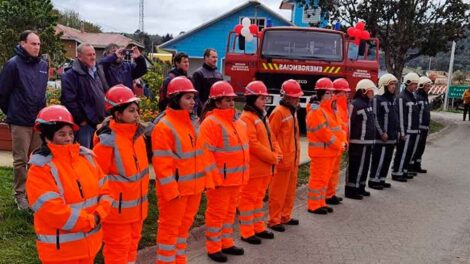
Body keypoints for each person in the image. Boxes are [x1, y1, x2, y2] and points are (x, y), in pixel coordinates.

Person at [26, 105, 112, 264]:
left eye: (71, 133)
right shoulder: (40, 169)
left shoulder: (87, 159)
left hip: (90, 246)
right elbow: (52, 210)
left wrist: (99, 214)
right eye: (62, 134)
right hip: (61, 254)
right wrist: (91, 220)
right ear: (47, 137)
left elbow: (106, 191)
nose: (68, 138)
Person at [151, 76, 215, 264]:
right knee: (170, 231)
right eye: (187, 98)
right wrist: (172, 192)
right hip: (176, 193)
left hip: (192, 190)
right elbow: (163, 165)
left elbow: (199, 157)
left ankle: (179, 260)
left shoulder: (190, 123)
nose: (192, 102)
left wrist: (204, 182)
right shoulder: (164, 126)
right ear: (175, 98)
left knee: (182, 230)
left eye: (193, 98)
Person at [93, 85, 149, 264]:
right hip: (117, 214)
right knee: (117, 250)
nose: (136, 114)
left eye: (137, 110)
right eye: (131, 110)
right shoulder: (107, 141)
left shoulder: (136, 136)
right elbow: (98, 179)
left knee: (132, 246)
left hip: (137, 210)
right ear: (118, 114)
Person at [199, 81, 249, 263]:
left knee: (229, 214)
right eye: (227, 100)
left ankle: (226, 242)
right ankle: (213, 247)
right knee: (216, 215)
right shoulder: (211, 123)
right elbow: (205, 154)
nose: (231, 103)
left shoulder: (238, 123)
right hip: (220, 181)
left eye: (232, 100)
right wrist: (212, 180)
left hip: (236, 179)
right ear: (217, 102)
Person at [0, 30, 48, 209]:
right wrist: (12, 112)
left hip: (37, 121)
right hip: (19, 121)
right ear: (22, 44)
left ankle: (33, 192)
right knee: (20, 160)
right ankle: (20, 195)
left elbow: (41, 94)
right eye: (33, 43)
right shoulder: (13, 65)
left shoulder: (43, 65)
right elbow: (2, 93)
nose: (37, 47)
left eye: (38, 44)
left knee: (36, 159)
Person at [239, 81, 281, 244]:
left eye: (265, 98)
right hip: (255, 168)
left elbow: (271, 138)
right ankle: (247, 232)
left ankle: (258, 227)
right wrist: (272, 156)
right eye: (261, 98)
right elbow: (253, 144)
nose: (265, 101)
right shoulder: (247, 118)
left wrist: (277, 153)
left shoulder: (261, 116)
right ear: (252, 99)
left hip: (264, 168)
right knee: (249, 200)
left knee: (257, 199)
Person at [306, 78, 346, 213]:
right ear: (321, 94)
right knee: (318, 180)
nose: (331, 96)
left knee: (324, 179)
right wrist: (338, 144)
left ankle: (320, 202)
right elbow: (324, 133)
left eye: (331, 93)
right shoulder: (316, 111)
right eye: (328, 93)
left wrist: (341, 143)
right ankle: (314, 205)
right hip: (321, 152)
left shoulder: (323, 110)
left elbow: (334, 129)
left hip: (327, 152)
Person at [268, 79, 302, 232]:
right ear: (286, 97)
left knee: (289, 192)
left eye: (297, 97)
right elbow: (271, 136)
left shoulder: (291, 112)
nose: (297, 100)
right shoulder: (278, 112)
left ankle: (285, 216)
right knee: (278, 193)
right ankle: (274, 220)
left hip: (292, 160)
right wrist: (278, 154)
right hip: (283, 161)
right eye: (294, 97)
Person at [61, 43, 108, 149]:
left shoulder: (98, 71)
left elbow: (104, 92)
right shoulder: (70, 76)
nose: (93, 57)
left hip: (100, 122)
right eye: (89, 55)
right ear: (80, 56)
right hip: (84, 126)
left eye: (94, 54)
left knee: (97, 154)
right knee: (83, 154)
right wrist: (82, 120)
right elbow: (68, 101)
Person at [345, 79, 376, 200]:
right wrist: (348, 140)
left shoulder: (368, 104)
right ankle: (351, 189)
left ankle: (361, 187)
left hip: (367, 141)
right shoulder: (355, 104)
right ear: (363, 91)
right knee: (355, 166)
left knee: (364, 166)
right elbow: (349, 123)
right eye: (370, 91)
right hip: (357, 142)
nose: (372, 93)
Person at [368, 74, 399, 189]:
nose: (393, 87)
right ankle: (373, 180)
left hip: (391, 136)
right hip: (381, 137)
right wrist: (382, 132)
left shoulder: (392, 99)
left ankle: (381, 179)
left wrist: (397, 131)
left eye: (394, 84)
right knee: (378, 159)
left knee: (387, 159)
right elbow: (375, 117)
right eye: (391, 84)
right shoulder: (377, 99)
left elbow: (395, 116)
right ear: (384, 85)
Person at [391, 72, 420, 182]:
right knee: (402, 152)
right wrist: (402, 132)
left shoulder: (412, 97)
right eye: (414, 84)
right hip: (406, 131)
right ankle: (397, 172)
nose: (415, 87)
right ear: (408, 83)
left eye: (416, 85)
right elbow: (401, 117)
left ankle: (403, 171)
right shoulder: (402, 97)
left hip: (413, 130)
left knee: (408, 153)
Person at [326, 78, 350, 205]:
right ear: (338, 93)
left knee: (334, 171)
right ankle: (328, 195)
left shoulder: (341, 106)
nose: (347, 95)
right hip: (333, 145)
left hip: (339, 144)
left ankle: (331, 193)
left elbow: (342, 127)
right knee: (330, 172)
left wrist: (344, 141)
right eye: (344, 92)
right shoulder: (334, 106)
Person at [409, 76, 432, 174]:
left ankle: (417, 164)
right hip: (418, 127)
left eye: (430, 86)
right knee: (415, 147)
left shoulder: (425, 97)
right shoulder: (417, 97)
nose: (429, 88)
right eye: (427, 86)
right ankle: (410, 166)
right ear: (422, 86)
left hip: (424, 127)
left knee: (421, 148)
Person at [192, 49, 223, 115]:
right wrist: (202, 110)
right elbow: (196, 96)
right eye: (213, 57)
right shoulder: (198, 74)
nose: (215, 59)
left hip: (217, 110)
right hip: (203, 111)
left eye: (216, 57)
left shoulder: (219, 75)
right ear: (206, 58)